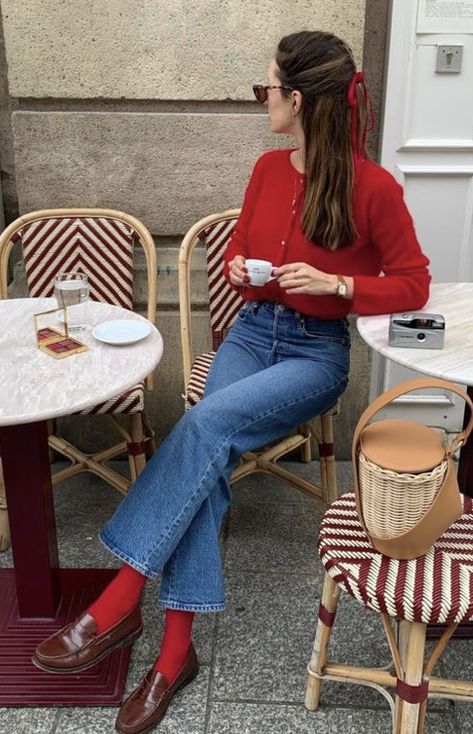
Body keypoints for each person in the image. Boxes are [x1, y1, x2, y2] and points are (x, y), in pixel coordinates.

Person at [33, 30, 430, 734]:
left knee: (204, 427)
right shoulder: (266, 170)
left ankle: (121, 599)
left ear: (299, 99)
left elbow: (411, 283)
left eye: (267, 89)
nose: (263, 101)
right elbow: (241, 245)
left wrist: (337, 282)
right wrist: (245, 267)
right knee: (207, 455)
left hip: (312, 355)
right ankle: (173, 655)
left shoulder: (373, 187)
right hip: (249, 334)